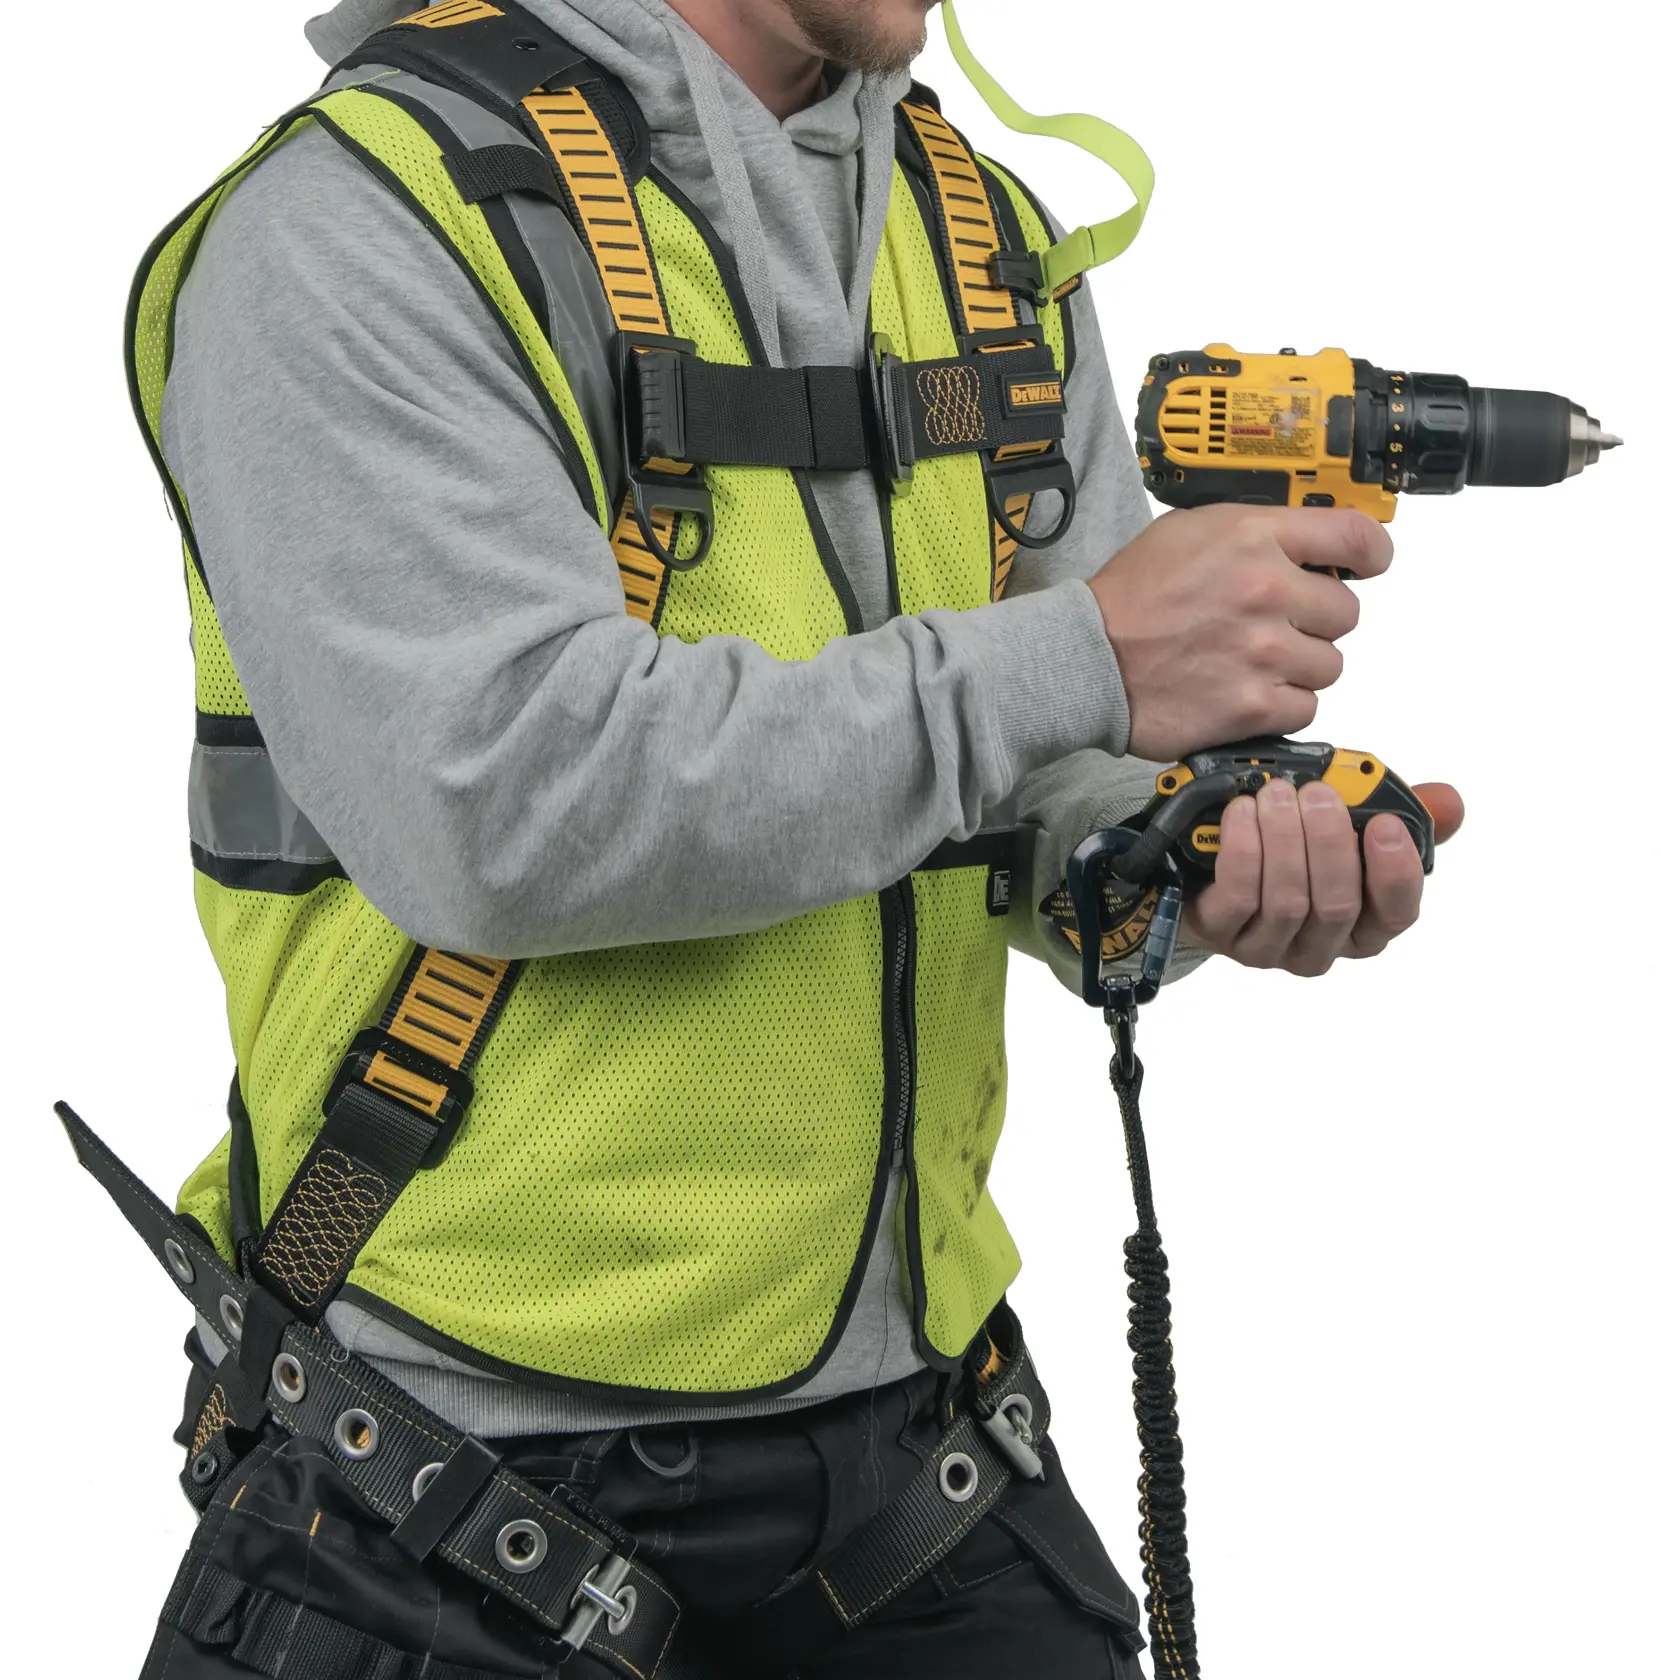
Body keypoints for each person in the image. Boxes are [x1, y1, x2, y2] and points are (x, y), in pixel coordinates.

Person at [109, 1, 1464, 1675]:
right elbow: (505, 808)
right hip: (430, 1486)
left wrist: (1176, 863)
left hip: (922, 1460)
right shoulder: (357, 229)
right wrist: (1092, 655)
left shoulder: (980, 242)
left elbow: (1042, 750)